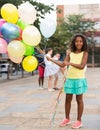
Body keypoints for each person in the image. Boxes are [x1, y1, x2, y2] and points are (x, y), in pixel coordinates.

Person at [47, 34, 88, 129]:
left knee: (79, 100)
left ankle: (79, 121)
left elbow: (82, 66)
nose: (79, 43)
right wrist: (51, 59)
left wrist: (69, 63)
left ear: (83, 43)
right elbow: (62, 64)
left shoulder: (85, 53)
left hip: (79, 79)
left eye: (81, 41)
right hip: (70, 79)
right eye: (77, 41)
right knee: (67, 99)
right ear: (74, 42)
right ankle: (67, 119)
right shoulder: (70, 53)